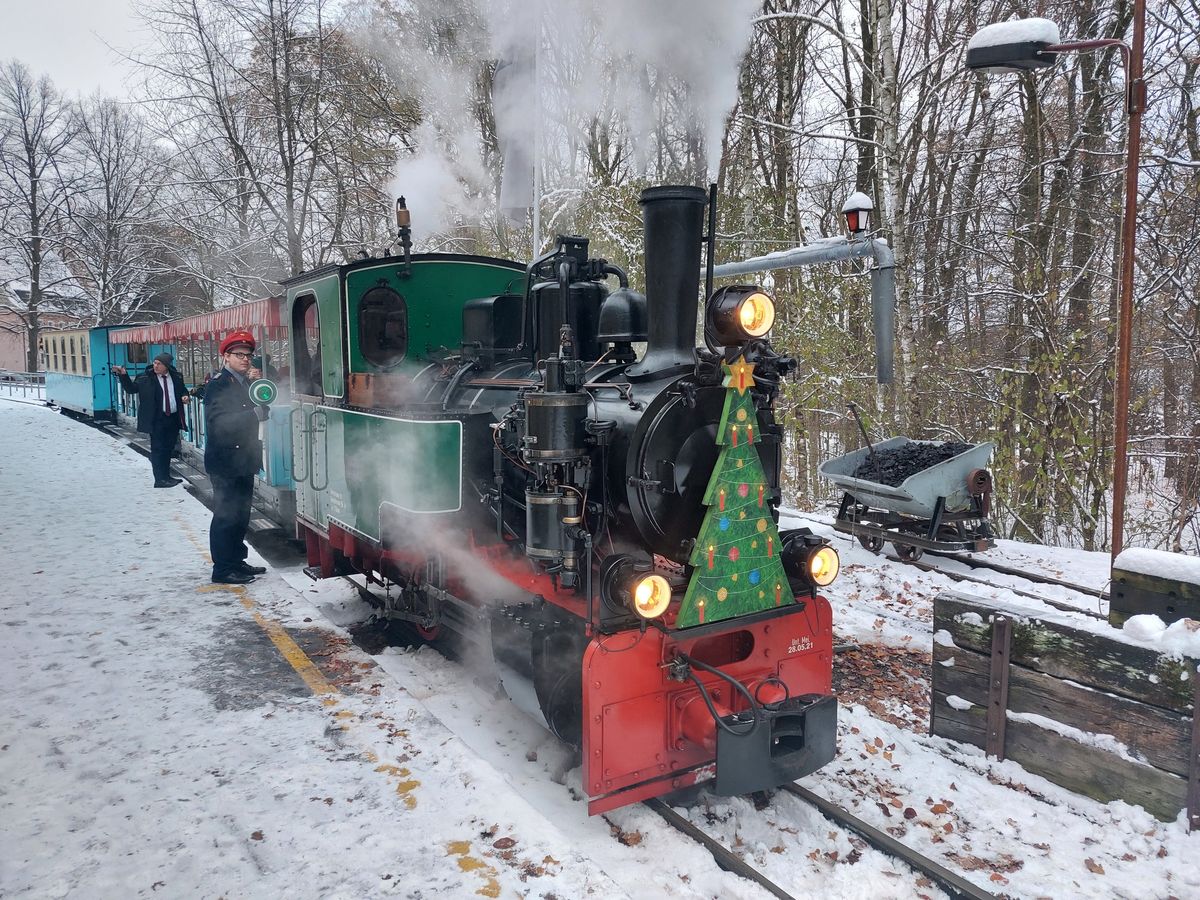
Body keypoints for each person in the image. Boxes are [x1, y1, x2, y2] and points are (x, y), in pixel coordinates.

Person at [204, 331, 269, 585]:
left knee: (241, 514)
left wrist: (262, 403)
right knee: (225, 514)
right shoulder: (218, 384)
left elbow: (262, 405)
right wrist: (255, 414)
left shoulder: (246, 383)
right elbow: (219, 423)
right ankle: (222, 568)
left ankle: (236, 560)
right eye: (239, 355)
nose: (245, 359)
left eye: (248, 355)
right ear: (226, 357)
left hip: (244, 459)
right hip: (226, 461)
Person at [112, 353, 190, 488]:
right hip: (156, 419)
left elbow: (182, 390)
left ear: (167, 366)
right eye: (155, 363)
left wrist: (185, 396)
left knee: (168, 448)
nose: (156, 366)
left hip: (173, 418)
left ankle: (166, 476)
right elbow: (131, 389)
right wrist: (123, 375)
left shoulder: (176, 377)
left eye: (159, 364)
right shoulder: (144, 377)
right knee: (158, 448)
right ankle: (159, 479)